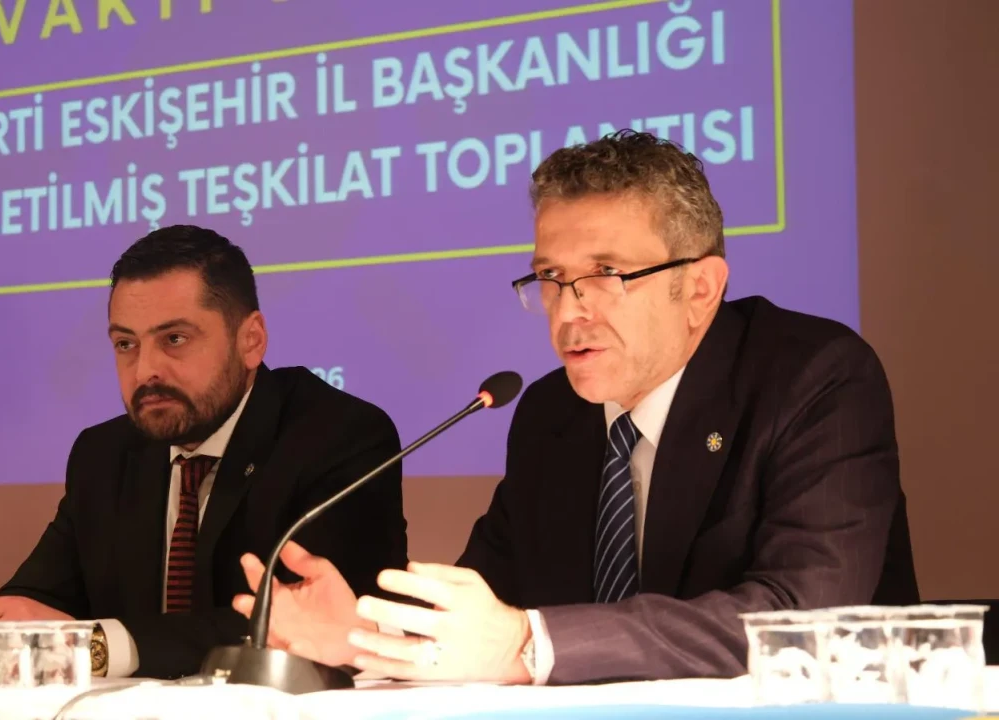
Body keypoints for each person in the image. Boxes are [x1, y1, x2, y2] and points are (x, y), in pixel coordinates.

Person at [231, 130, 919, 685]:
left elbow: (801, 620)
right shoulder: (550, 415)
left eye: (607, 274)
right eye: (552, 278)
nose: (568, 312)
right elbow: (487, 602)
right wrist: (365, 635)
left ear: (701, 290)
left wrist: (531, 645)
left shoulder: (814, 378)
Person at [0, 225, 409, 683]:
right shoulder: (104, 454)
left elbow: (314, 624)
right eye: (126, 344)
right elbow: (36, 602)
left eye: (174, 339)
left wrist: (101, 646)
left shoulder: (339, 436)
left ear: (251, 340)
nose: (145, 370)